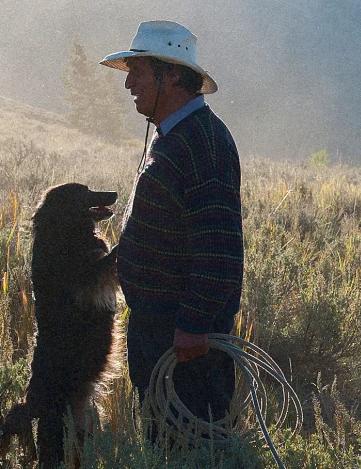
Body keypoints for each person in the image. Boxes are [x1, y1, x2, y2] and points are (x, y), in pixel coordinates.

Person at [101, 21, 243, 433]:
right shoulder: (181, 135)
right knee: (168, 440)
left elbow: (219, 250)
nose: (129, 84)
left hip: (183, 338)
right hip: (165, 328)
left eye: (138, 72)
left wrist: (194, 325)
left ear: (171, 75)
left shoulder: (203, 143)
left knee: (194, 447)